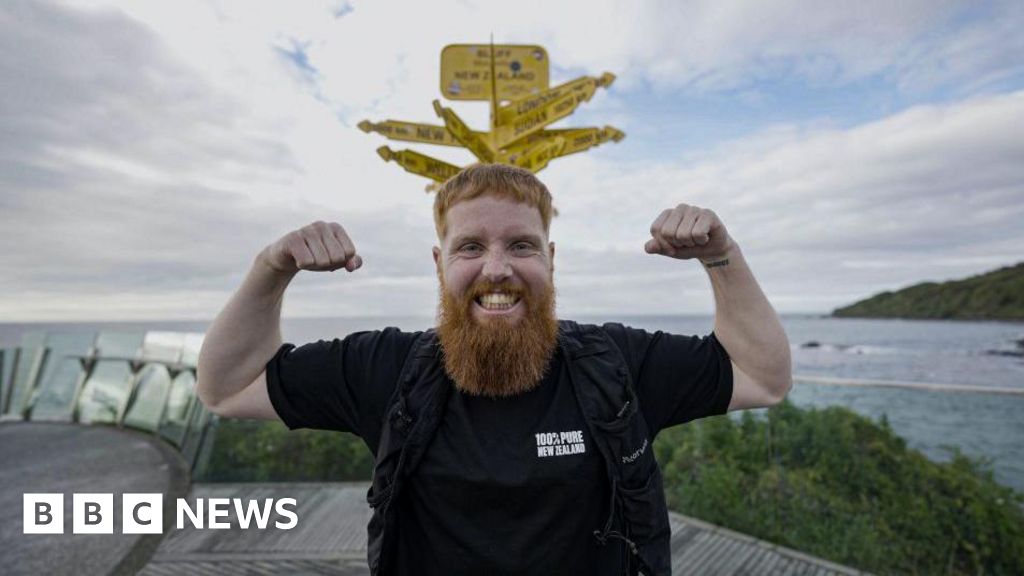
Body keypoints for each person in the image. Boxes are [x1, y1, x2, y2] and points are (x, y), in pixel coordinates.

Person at [196, 163, 791, 576]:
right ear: (440, 263)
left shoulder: (616, 365)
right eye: (471, 247)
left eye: (522, 246)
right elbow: (227, 387)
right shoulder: (386, 368)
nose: (497, 268)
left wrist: (720, 255)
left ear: (551, 260)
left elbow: (761, 375)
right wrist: (271, 268)